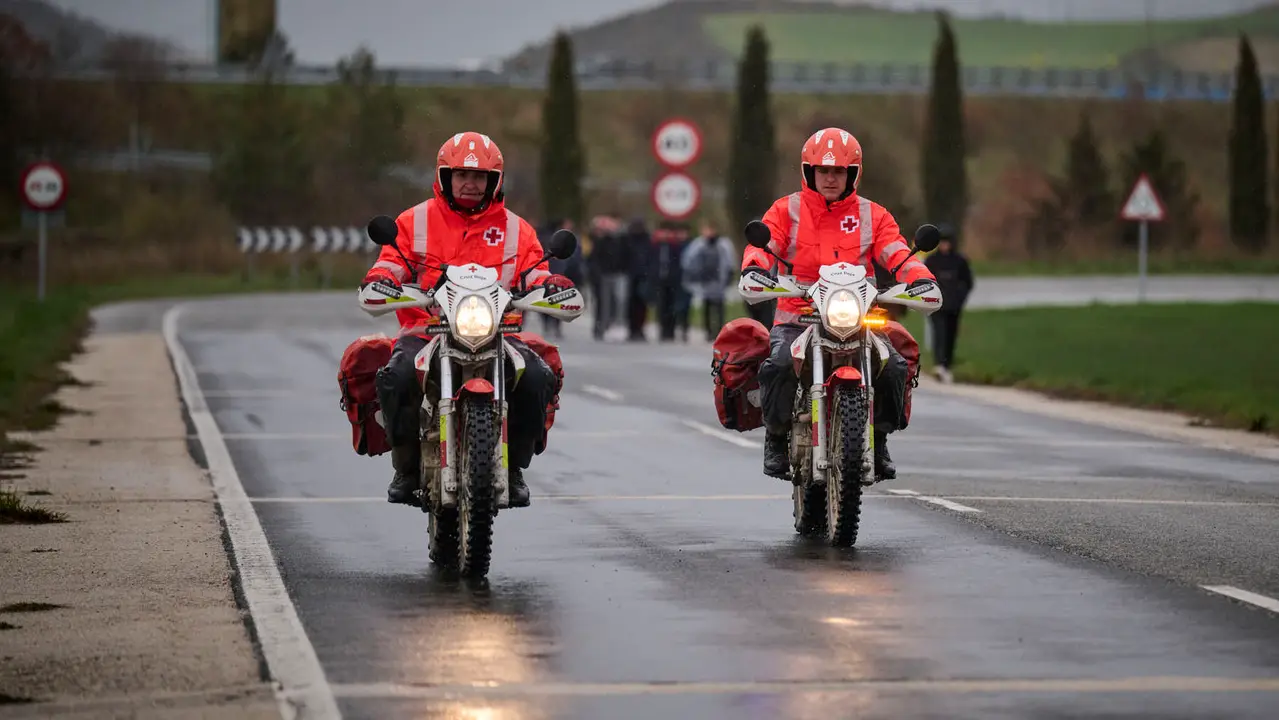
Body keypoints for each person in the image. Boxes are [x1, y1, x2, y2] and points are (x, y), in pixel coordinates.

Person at [360, 131, 577, 509]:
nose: (470, 183)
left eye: (480, 177)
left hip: (500, 331)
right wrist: (382, 277)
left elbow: (533, 270)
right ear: (445, 177)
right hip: (426, 329)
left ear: (494, 182)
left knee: (537, 377)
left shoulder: (516, 228)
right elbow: (391, 260)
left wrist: (551, 281)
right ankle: (406, 466)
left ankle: (513, 469)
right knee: (394, 376)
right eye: (461, 175)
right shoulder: (415, 221)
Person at [742, 127, 940, 482]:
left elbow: (896, 252)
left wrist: (919, 276)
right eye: (823, 170)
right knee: (779, 363)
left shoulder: (873, 215)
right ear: (809, 172)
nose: (830, 178)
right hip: (797, 316)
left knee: (894, 367)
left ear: (853, 174)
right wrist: (755, 267)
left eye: (838, 172)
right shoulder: (786, 210)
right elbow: (764, 244)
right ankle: (775, 437)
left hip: (858, 318)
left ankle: (878, 439)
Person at [922, 223, 974, 384]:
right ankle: (939, 364)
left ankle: (947, 364)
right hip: (936, 305)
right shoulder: (931, 261)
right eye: (942, 242)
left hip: (954, 305)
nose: (944, 245)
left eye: (947, 242)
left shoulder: (960, 261)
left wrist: (960, 298)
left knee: (950, 335)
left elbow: (967, 282)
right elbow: (924, 281)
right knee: (939, 333)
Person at [681, 220, 738, 339]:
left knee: (719, 306)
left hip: (719, 280)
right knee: (706, 306)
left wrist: (729, 274)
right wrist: (695, 274)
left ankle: (719, 330)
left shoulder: (723, 244)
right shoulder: (698, 244)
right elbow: (688, 260)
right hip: (705, 281)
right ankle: (708, 331)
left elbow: (730, 260)